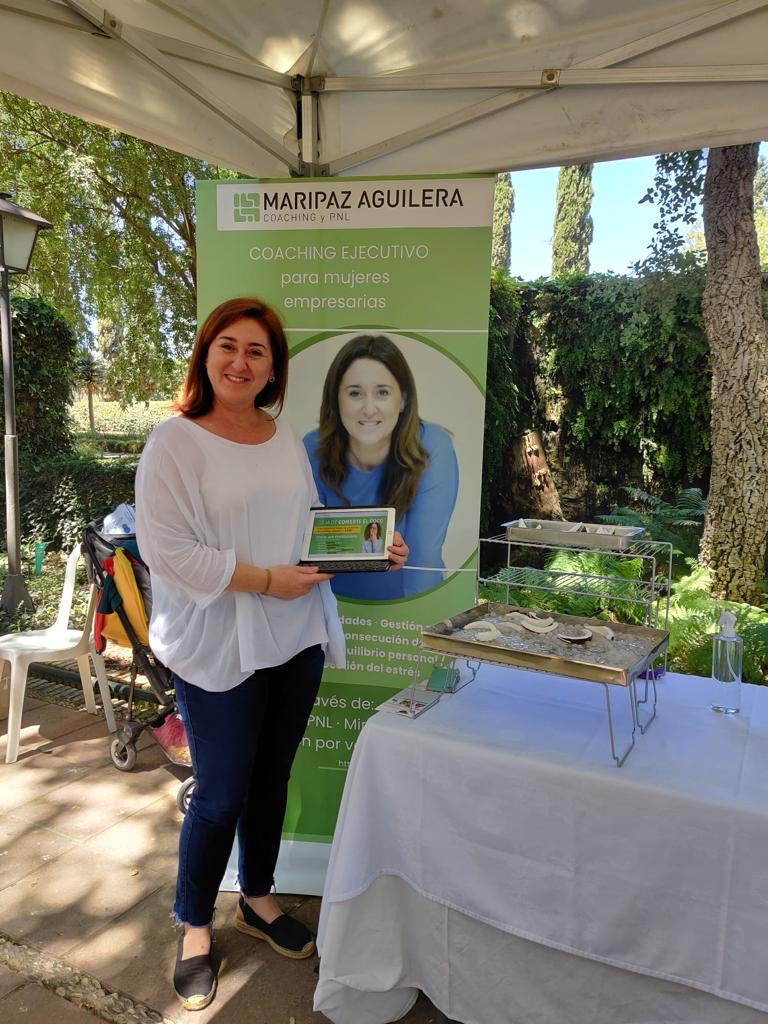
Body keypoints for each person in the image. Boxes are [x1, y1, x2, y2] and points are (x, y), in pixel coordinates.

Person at [135, 298, 407, 1011]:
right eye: (228, 345)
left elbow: (305, 528)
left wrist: (372, 548)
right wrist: (264, 581)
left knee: (272, 778)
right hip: (218, 644)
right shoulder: (175, 441)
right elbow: (168, 553)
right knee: (221, 791)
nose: (240, 362)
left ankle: (256, 898)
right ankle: (194, 924)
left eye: (257, 351)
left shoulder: (282, 436)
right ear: (205, 353)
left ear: (273, 369)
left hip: (295, 638)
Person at [304, 335, 458, 599]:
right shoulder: (312, 447)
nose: (369, 409)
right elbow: (303, 548)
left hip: (405, 611)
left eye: (382, 393)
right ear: (336, 399)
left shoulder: (433, 445)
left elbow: (423, 560)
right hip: (330, 610)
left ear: (404, 400)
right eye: (355, 393)